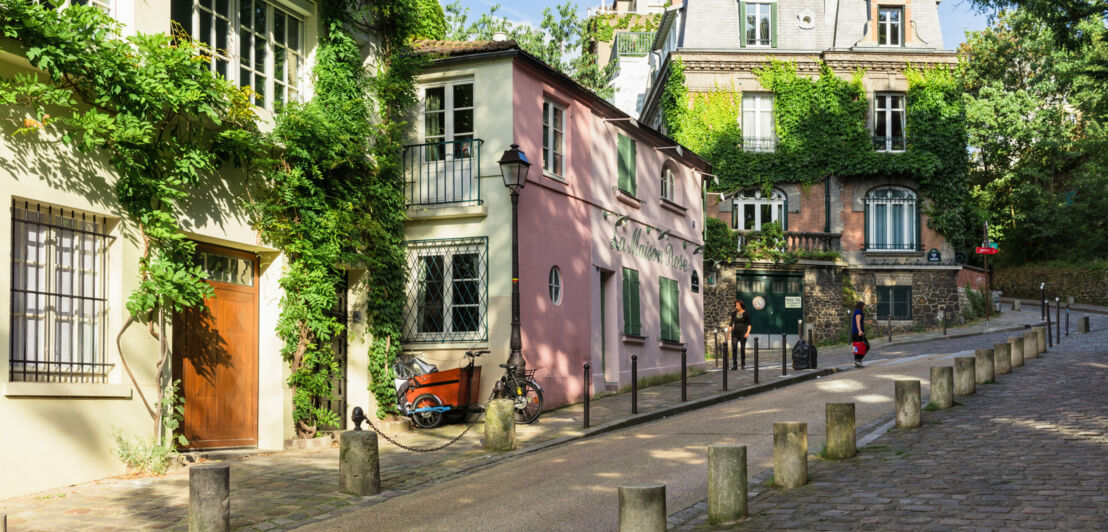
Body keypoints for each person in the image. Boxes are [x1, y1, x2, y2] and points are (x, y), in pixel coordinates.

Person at [728, 300, 751, 370]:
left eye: (737, 305)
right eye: (735, 305)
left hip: (743, 334)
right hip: (735, 333)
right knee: (734, 348)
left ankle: (743, 364)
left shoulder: (746, 313)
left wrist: (747, 333)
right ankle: (735, 365)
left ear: (741, 305)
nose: (736, 306)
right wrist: (728, 333)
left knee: (742, 349)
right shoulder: (733, 313)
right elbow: (731, 324)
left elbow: (749, 325)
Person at [851, 301, 870, 368]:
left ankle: (857, 361)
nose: (864, 307)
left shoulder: (856, 311)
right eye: (864, 306)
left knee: (857, 347)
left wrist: (865, 322)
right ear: (861, 306)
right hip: (858, 332)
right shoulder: (859, 312)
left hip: (854, 332)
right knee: (866, 346)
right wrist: (860, 331)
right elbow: (858, 322)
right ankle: (858, 360)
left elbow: (859, 321)